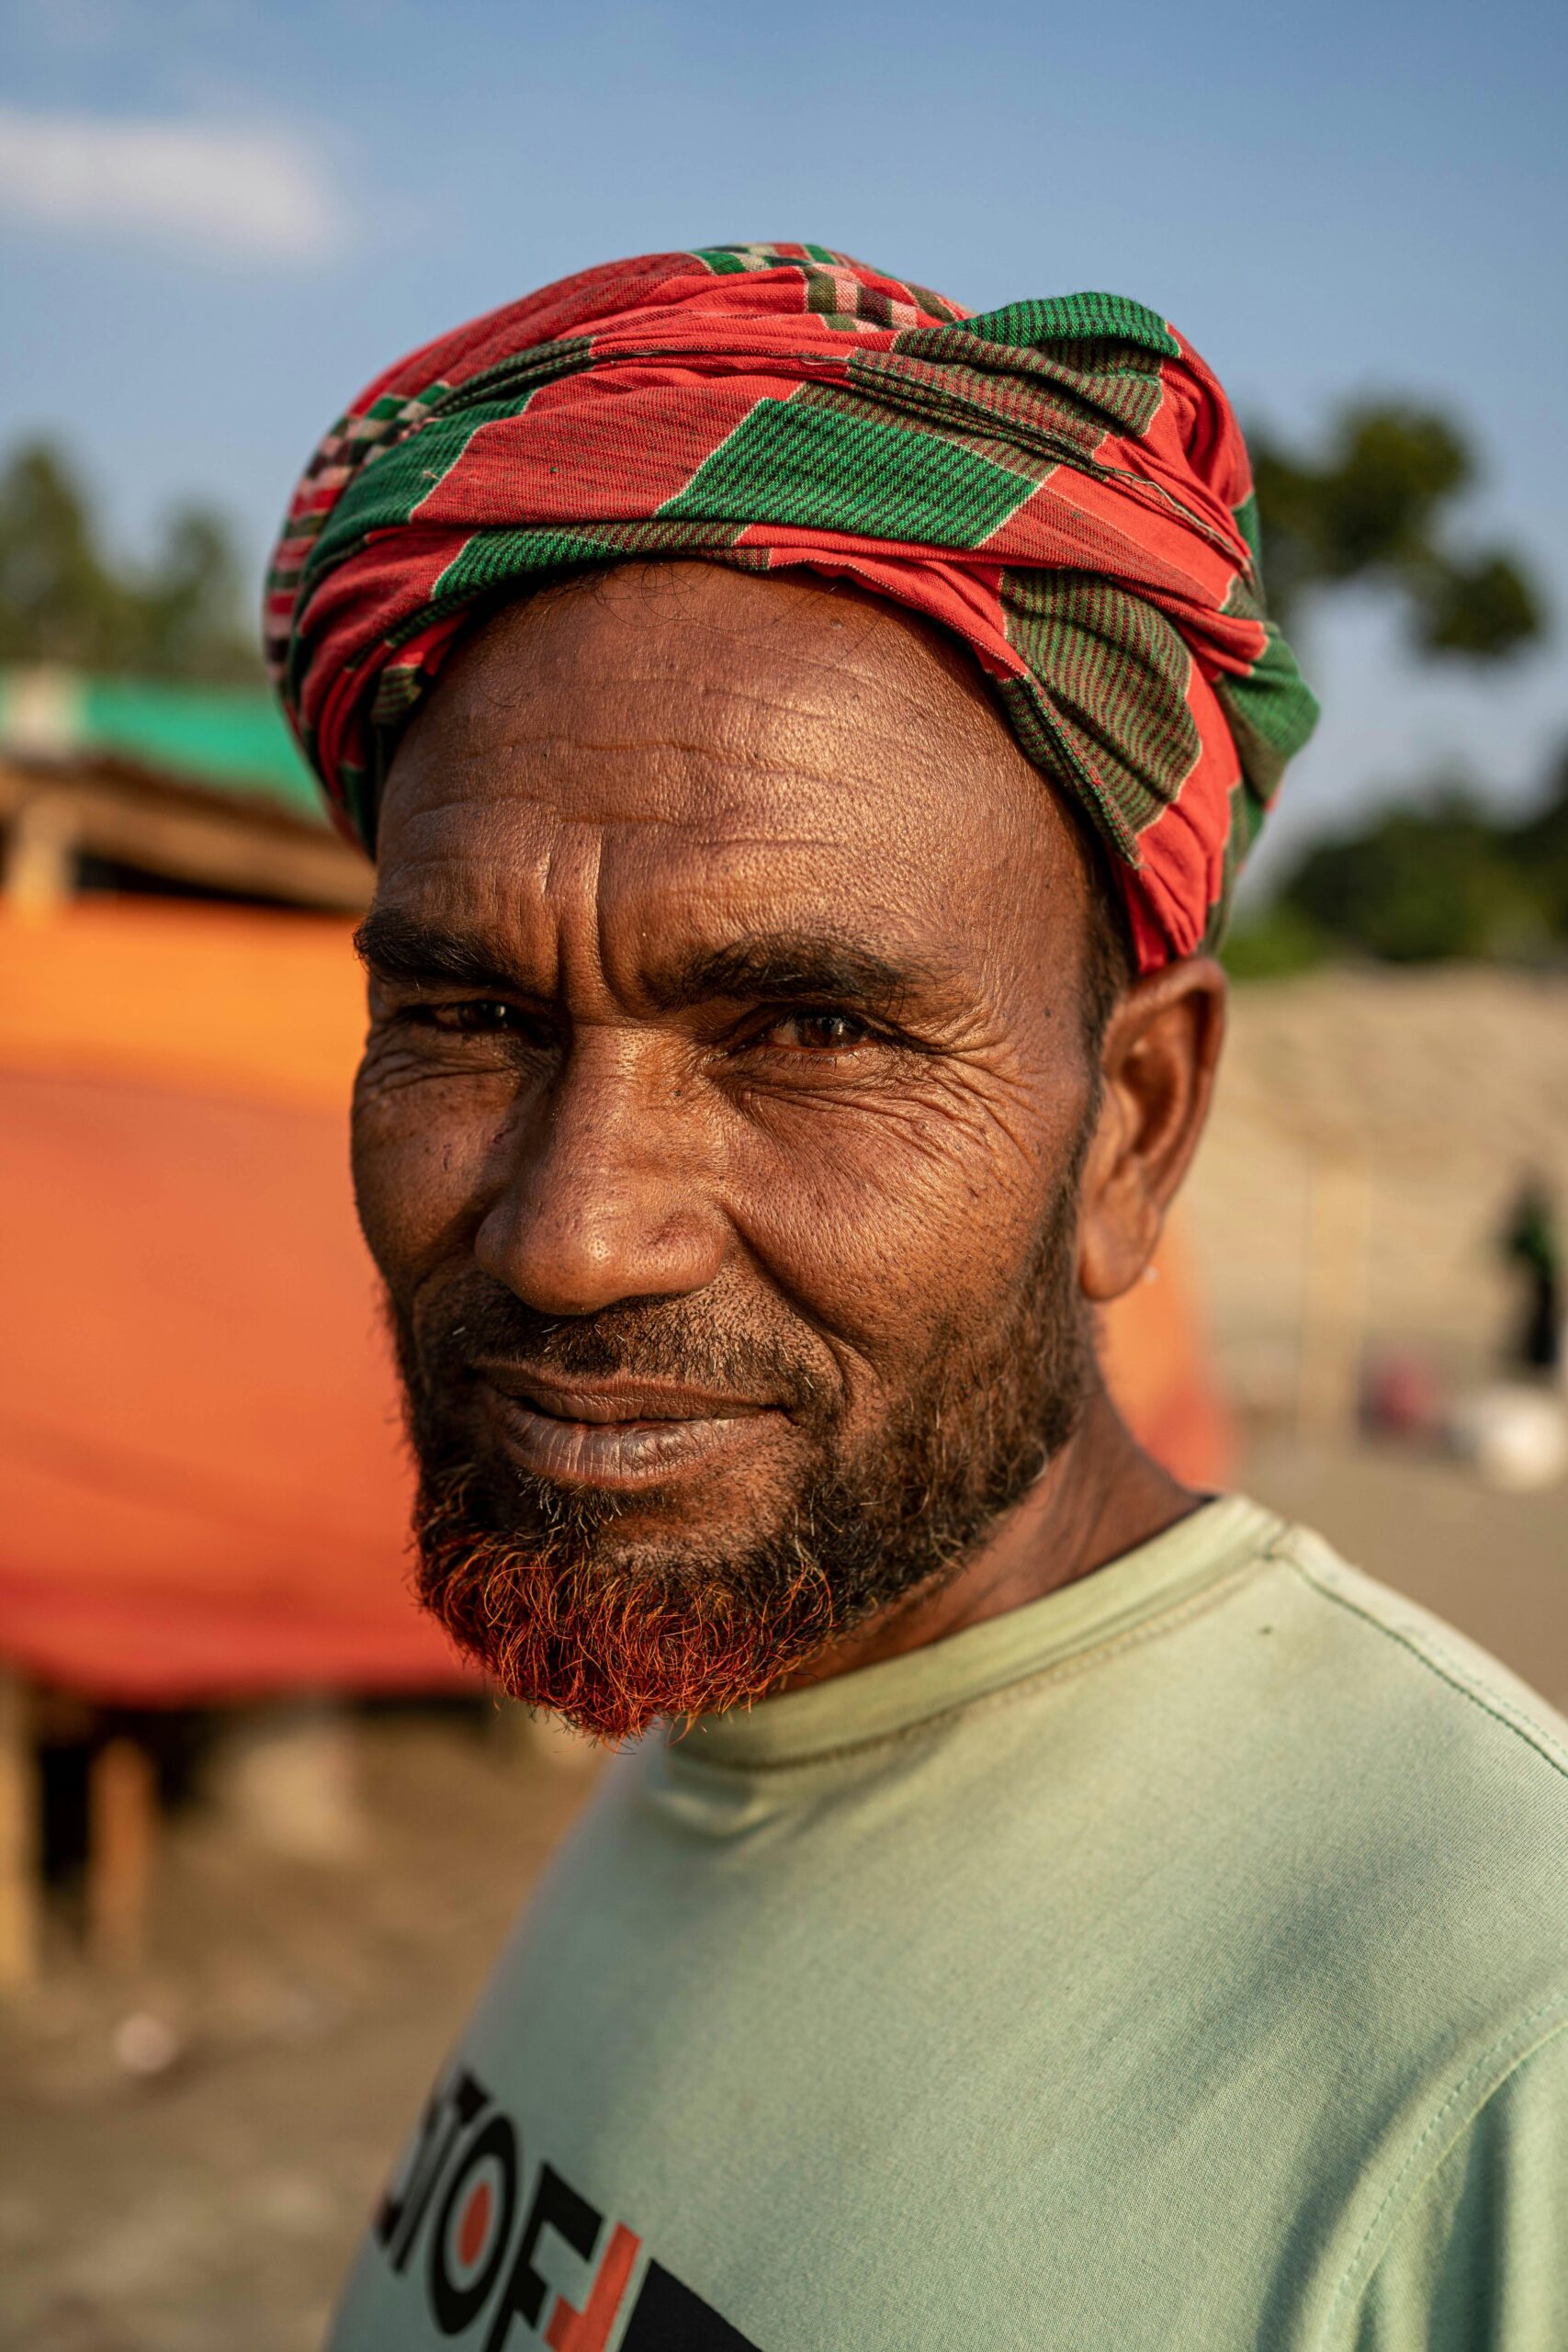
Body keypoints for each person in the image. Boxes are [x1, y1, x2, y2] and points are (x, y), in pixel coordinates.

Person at [269, 246, 1568, 2350]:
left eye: (811, 1031)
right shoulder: (724, 1703)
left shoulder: (1501, 2060)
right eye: (468, 1015)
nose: (569, 1236)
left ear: (1132, 1125)